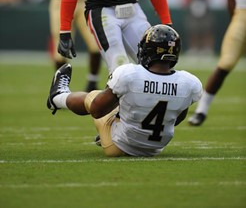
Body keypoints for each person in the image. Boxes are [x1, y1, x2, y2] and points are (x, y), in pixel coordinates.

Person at [47, 24, 202, 157]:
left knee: (94, 97)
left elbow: (96, 111)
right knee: (125, 104)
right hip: (154, 148)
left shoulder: (129, 74)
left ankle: (58, 97)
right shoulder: (188, 82)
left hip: (119, 145)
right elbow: (176, 119)